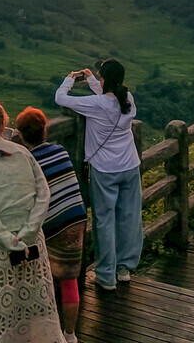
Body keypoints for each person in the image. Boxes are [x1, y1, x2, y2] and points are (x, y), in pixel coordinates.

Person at [0, 100, 65, 343]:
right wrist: (28, 232)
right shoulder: (23, 153)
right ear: (3, 123)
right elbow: (43, 193)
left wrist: (7, 239)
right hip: (32, 246)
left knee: (0, 315)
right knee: (37, 310)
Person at [55, 58, 142, 291]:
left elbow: (60, 98)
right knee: (129, 218)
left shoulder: (96, 104)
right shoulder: (128, 98)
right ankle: (124, 269)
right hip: (130, 166)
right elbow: (108, 94)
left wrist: (70, 79)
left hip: (105, 169)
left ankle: (106, 276)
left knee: (104, 221)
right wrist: (93, 78)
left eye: (100, 77)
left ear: (106, 80)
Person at [15, 107, 88, 343]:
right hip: (76, 216)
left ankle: (47, 332)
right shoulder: (61, 150)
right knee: (69, 280)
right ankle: (70, 334)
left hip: (53, 223)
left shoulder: (27, 161)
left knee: (41, 277)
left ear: (21, 135)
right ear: (44, 129)